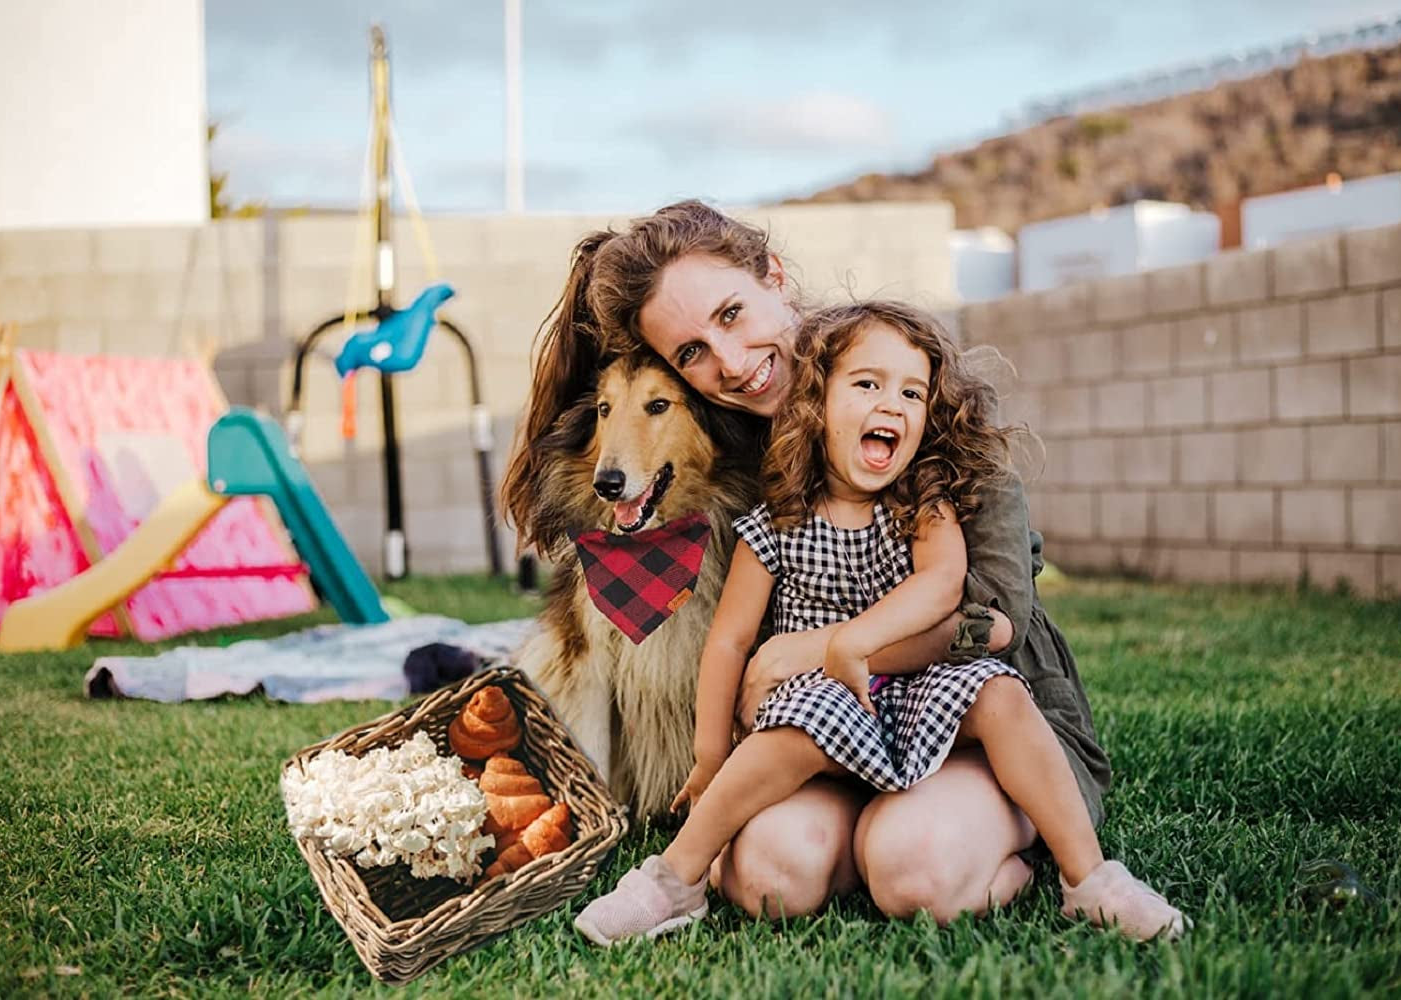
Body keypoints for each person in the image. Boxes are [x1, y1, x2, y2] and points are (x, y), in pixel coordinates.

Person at [502, 201, 1177, 933]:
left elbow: (989, 625)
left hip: (967, 721)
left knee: (917, 873)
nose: (727, 362)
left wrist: (817, 648)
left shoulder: (914, 414)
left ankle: (1036, 862)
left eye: (730, 315)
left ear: (775, 278)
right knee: (768, 880)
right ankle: (749, 864)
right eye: (691, 353)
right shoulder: (741, 456)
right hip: (825, 728)